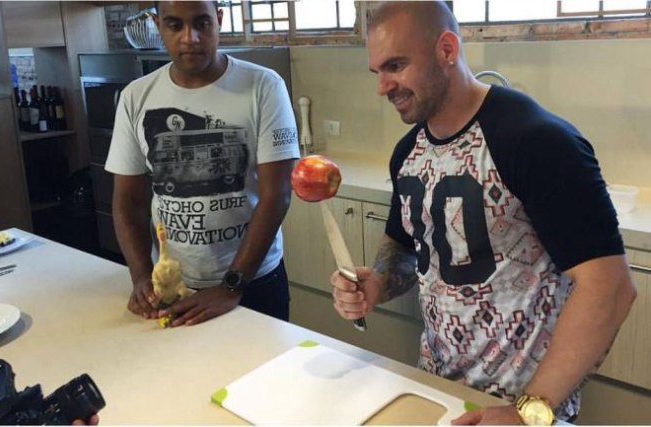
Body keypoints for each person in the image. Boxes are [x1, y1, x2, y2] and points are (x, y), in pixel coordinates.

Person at [330, 2, 636, 425]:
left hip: (522, 407)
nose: (383, 87)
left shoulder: (536, 141)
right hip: (437, 389)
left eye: (396, 66)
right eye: (377, 72)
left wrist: (528, 411)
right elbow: (405, 242)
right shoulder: (408, 153)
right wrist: (378, 283)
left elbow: (610, 288)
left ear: (447, 49)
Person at [105, 1, 299, 327]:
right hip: (174, 285)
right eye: (175, 25)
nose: (190, 38)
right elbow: (128, 200)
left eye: (202, 24)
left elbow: (277, 194)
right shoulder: (135, 97)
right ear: (157, 24)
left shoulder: (264, 86)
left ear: (218, 19)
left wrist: (231, 285)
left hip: (254, 283)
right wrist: (141, 277)